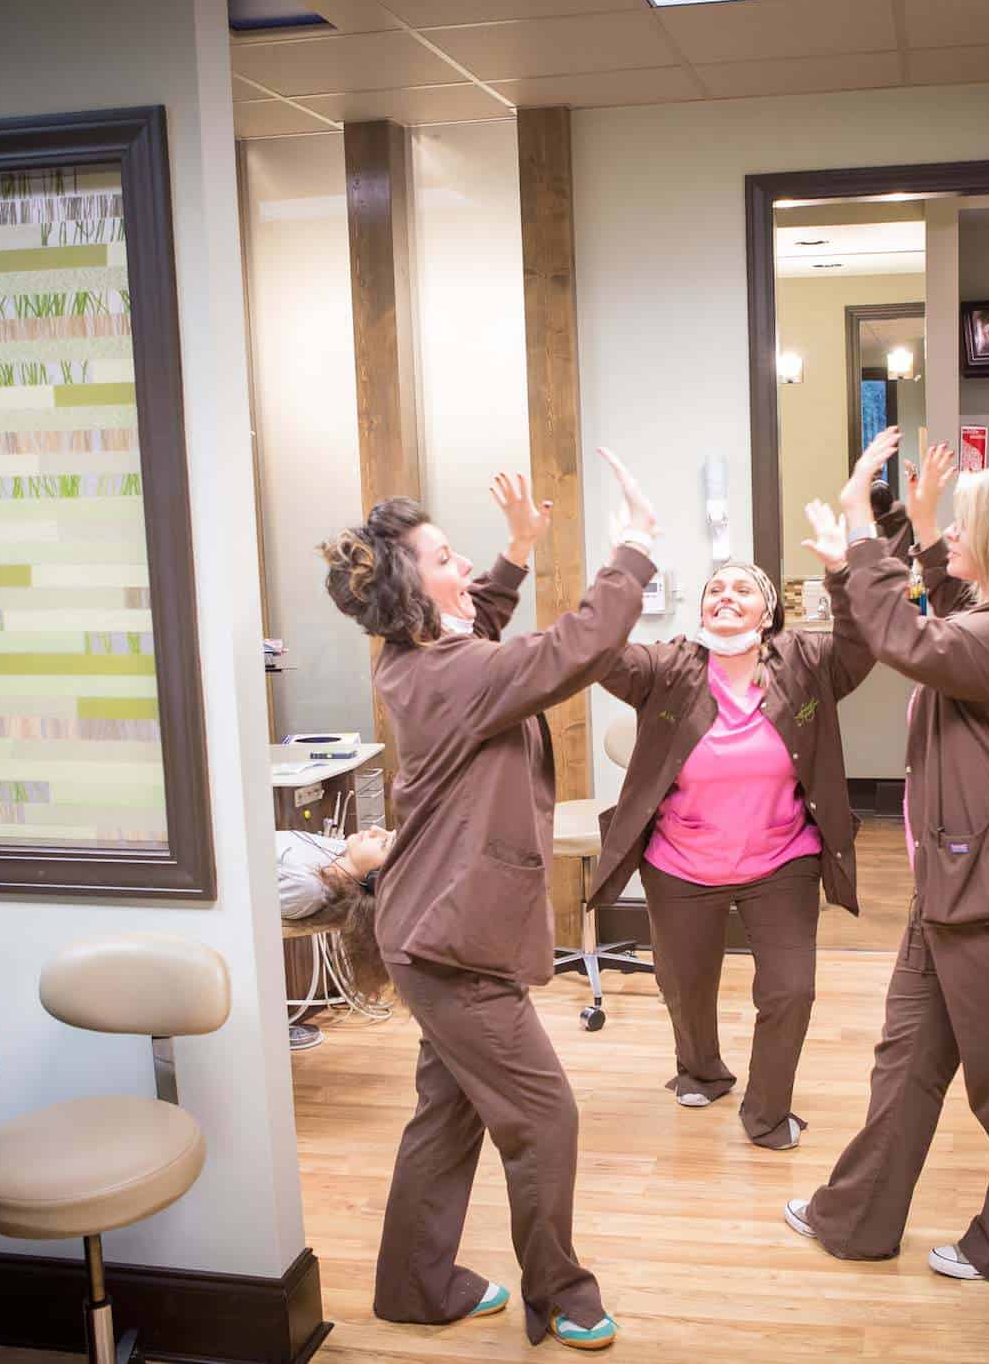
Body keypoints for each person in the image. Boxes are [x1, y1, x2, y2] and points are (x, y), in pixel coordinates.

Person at [320, 455, 658, 1351]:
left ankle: (414, 1282)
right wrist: (632, 548)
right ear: (412, 594)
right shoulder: (451, 674)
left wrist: (515, 550)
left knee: (447, 1112)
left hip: (433, 928)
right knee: (544, 1115)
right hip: (451, 942)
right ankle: (561, 1292)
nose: (463, 564)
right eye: (445, 558)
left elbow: (482, 627)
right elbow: (568, 651)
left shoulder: (414, 659)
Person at [782, 437, 989, 1285]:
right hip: (954, 876)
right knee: (908, 1056)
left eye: (963, 522)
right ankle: (857, 1216)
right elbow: (944, 614)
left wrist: (861, 524)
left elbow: (907, 637)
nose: (952, 531)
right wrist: (914, 526)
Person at [587, 432, 906, 1151]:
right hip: (680, 863)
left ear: (767, 613)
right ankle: (700, 1069)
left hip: (780, 859)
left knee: (791, 988)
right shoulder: (667, 667)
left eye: (742, 590)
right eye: (714, 590)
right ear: (701, 612)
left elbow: (865, 645)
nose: (725, 595)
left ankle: (766, 1112)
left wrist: (840, 571)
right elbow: (597, 653)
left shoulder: (806, 661)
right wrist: (624, 564)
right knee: (684, 986)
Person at [276, 825, 393, 999]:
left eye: (384, 843)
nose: (375, 829)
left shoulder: (306, 889)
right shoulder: (341, 849)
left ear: (377, 878)